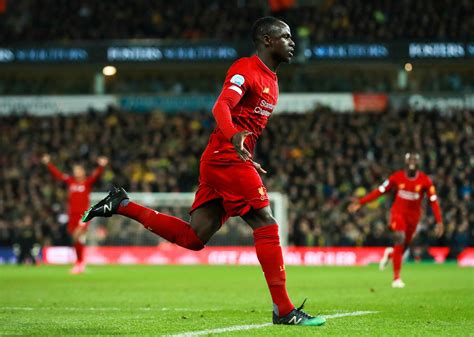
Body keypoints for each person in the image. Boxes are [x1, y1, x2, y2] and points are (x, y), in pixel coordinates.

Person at [83, 17, 325, 326]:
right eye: (286, 36)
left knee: (194, 237)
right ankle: (284, 309)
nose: (293, 42)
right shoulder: (245, 69)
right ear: (267, 40)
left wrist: (244, 146)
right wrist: (233, 134)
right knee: (266, 222)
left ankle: (122, 204)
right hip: (226, 156)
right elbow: (221, 106)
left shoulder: (273, 79)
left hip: (226, 158)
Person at [348, 152, 444, 288]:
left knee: (403, 247)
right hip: (398, 214)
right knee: (399, 238)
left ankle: (391, 254)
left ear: (418, 163)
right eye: (409, 159)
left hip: (414, 218)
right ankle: (396, 278)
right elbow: (380, 191)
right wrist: (361, 202)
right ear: (405, 162)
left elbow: (433, 201)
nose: (412, 162)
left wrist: (439, 221)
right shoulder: (396, 177)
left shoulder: (425, 181)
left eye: (414, 160)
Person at [42, 154, 108, 274]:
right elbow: (58, 175)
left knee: (77, 236)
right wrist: (48, 164)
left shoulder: (87, 182)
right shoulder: (71, 181)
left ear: (83, 172)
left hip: (83, 215)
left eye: (78, 170)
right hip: (72, 215)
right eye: (75, 170)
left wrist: (101, 166)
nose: (76, 172)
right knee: (76, 240)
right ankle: (80, 263)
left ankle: (80, 262)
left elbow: (96, 175)